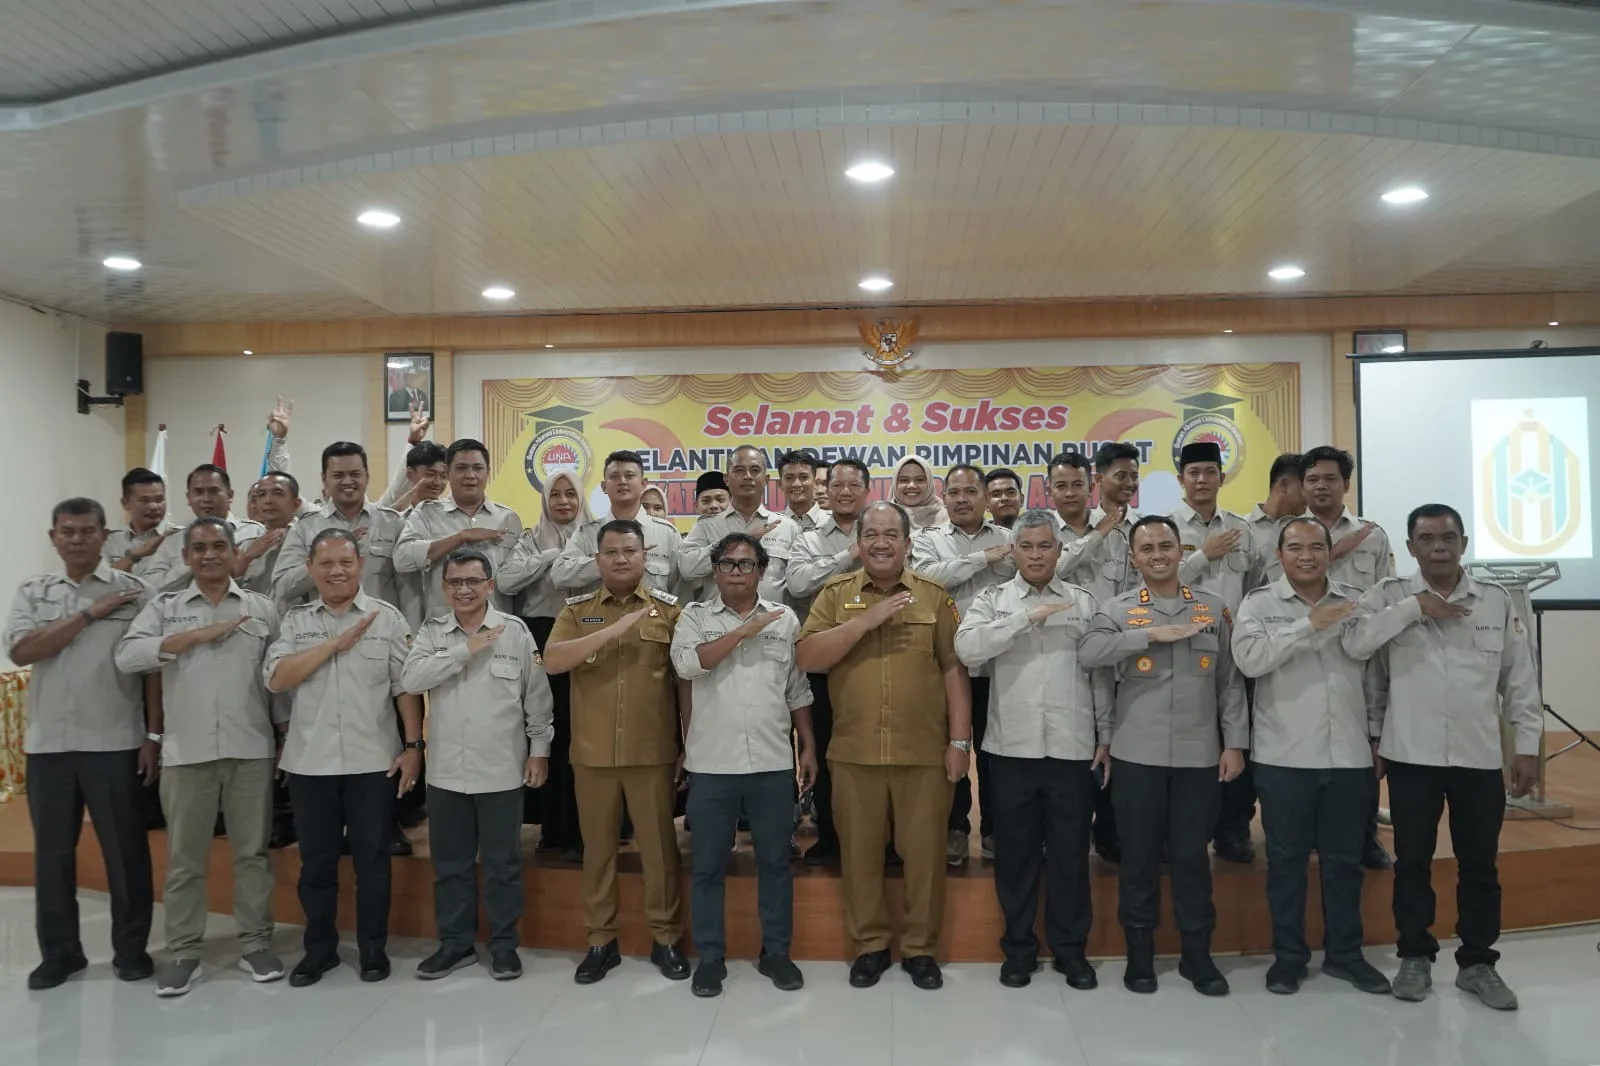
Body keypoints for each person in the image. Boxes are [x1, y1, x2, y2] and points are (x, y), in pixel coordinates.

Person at [1342, 503, 1542, 1011]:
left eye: (1448, 538)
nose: (1438, 548)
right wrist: (1414, 608)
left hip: (1479, 756)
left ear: (1464, 544)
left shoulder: (1494, 600)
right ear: (1410, 547)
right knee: (1413, 861)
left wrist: (1526, 746)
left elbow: (1520, 678)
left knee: (1480, 864)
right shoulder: (1389, 595)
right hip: (1412, 755)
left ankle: (1478, 963)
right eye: (1427, 539)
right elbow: (1356, 644)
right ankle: (1415, 955)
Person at [796, 501, 971, 991]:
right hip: (855, 752)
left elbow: (954, 670)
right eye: (871, 534)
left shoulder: (933, 596)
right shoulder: (835, 595)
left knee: (926, 857)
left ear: (908, 543)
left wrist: (960, 742)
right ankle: (870, 946)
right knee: (859, 856)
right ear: (858, 544)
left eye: (891, 534)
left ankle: (920, 949)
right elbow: (808, 656)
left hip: (923, 752)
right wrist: (864, 622)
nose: (880, 542)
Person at [114, 518, 284, 996]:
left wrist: (284, 735)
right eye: (200, 548)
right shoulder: (165, 608)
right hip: (186, 752)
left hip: (250, 747)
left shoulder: (261, 609)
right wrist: (189, 639)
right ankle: (185, 952)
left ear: (234, 552)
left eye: (219, 546)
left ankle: (256, 943)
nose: (210, 555)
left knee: (252, 854)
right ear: (186, 556)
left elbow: (278, 681)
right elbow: (127, 657)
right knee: (185, 859)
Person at [1080, 516, 1247, 996]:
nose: (1157, 554)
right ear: (1134, 558)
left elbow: (1229, 682)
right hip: (1138, 753)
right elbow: (1090, 653)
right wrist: (1149, 636)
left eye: (1166, 546)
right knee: (1138, 857)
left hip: (1199, 755)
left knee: (1193, 857)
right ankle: (1140, 956)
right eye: (1147, 548)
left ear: (1180, 551)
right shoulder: (1118, 609)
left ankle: (1198, 956)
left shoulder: (1212, 607)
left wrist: (1234, 743)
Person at [1231, 517, 1390, 997]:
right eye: (1295, 548)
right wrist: (1307, 626)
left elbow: (1373, 675)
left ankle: (1346, 955)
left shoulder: (1355, 601)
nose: (1306, 556)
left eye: (1316, 547)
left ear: (1329, 552)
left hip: (1348, 754)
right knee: (1286, 861)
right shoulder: (1259, 603)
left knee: (1344, 861)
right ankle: (1289, 957)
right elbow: (1249, 661)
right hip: (1284, 755)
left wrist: (1375, 734)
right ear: (1279, 555)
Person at [954, 510, 1112, 990]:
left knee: (1070, 855)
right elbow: (967, 650)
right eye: (1027, 546)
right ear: (1014, 551)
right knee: (1016, 857)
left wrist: (1105, 734)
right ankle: (1018, 950)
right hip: (1011, 750)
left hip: (1072, 748)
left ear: (1060, 551)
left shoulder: (1084, 602)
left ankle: (1071, 951)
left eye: (1046, 546)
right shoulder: (994, 599)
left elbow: (1100, 674)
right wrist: (1025, 618)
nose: (1037, 555)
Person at [4, 498, 156, 990]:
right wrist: (88, 615)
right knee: (52, 856)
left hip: (114, 741)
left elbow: (152, 669)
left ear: (104, 536)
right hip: (49, 745)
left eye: (87, 531)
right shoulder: (35, 592)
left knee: (125, 854)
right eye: (67, 531)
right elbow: (23, 650)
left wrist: (153, 735)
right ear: (53, 538)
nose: (76, 539)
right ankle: (60, 955)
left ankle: (131, 951)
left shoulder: (134, 593)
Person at [265, 528, 423, 987]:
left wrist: (413, 747)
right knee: (316, 864)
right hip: (310, 764)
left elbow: (405, 688)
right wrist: (332, 645)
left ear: (360, 566)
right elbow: (277, 678)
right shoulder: (295, 621)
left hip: (373, 762)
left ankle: (373, 949)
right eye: (326, 563)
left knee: (373, 861)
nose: (336, 571)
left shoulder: (386, 618)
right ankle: (320, 950)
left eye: (345, 562)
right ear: (310, 569)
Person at [670, 532, 816, 997]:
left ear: (762, 571)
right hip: (712, 764)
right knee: (709, 866)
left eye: (746, 564)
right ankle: (711, 958)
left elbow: (797, 688)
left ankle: (776, 952)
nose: (737, 572)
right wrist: (740, 633)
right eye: (728, 564)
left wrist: (808, 745)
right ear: (715, 571)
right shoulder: (694, 616)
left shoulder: (784, 618)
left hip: (772, 763)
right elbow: (687, 667)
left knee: (775, 864)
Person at [544, 519, 689, 984]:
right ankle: (600, 941)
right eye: (611, 552)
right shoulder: (577, 611)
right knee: (598, 852)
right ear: (597, 559)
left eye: (629, 551)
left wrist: (688, 743)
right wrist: (614, 629)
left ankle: (666, 938)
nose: (621, 559)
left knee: (660, 852)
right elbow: (553, 661)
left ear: (646, 556)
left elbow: (684, 684)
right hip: (593, 754)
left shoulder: (671, 612)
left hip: (652, 753)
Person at [401, 548, 554, 981]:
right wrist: (464, 650)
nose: (464, 590)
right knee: (450, 865)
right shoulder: (432, 632)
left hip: (501, 769)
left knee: (503, 865)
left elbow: (537, 696)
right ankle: (455, 944)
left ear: (490, 585)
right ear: (444, 587)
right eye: (455, 582)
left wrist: (539, 750)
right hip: (446, 772)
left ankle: (504, 946)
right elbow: (411, 680)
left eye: (473, 581)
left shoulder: (515, 632)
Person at [910, 464, 1014, 864]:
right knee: (948, 749)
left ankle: (995, 830)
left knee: (995, 753)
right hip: (946, 666)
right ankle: (954, 828)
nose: (962, 499)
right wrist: (982, 559)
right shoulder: (928, 539)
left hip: (997, 667)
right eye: (953, 492)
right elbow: (925, 579)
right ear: (944, 498)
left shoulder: (1010, 539)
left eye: (970, 491)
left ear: (986, 497)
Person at [1301, 445, 1395, 871]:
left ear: (1346, 484)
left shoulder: (1372, 535)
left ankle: (1364, 835)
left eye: (1330, 479)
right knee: (1306, 745)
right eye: (1312, 480)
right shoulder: (1288, 532)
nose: (1321, 486)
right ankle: (1308, 833)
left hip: (1359, 656)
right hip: (1303, 652)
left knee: (1363, 746)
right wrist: (1332, 552)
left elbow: (1386, 592)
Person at [1168, 441, 1256, 865]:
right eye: (1194, 473)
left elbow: (1255, 589)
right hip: (1182, 651)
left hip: (1234, 652)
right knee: (1190, 743)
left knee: (1238, 740)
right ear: (1181, 479)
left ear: (1222, 477)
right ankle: (1186, 831)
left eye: (1209, 472)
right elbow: (1157, 582)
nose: (1201, 480)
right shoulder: (1165, 528)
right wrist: (1204, 556)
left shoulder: (1243, 529)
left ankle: (1233, 829)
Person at [498, 470, 592, 855]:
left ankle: (592, 830)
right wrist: (553, 556)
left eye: (571, 494)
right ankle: (553, 829)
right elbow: (506, 581)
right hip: (541, 636)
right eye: (556, 494)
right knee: (551, 731)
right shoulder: (531, 539)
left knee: (585, 735)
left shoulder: (596, 534)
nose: (564, 501)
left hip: (587, 634)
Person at [785, 458, 871, 866]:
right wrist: (848, 555)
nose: (845, 492)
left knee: (869, 754)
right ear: (827, 489)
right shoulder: (809, 538)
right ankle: (831, 839)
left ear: (867, 491)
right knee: (823, 750)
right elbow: (798, 583)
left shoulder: (881, 530)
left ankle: (877, 840)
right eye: (837, 485)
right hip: (820, 665)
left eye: (854, 485)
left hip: (870, 661)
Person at [1046, 450, 1125, 863]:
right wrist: (1096, 536)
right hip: (1060, 657)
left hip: (1113, 656)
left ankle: (1110, 833)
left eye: (1077, 484)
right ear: (1048, 490)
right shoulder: (1042, 532)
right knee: (1069, 752)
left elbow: (1130, 589)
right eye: (1060, 485)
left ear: (1091, 486)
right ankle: (1066, 835)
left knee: (1114, 745)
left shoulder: (1120, 532)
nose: (1069, 493)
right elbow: (1050, 569)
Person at [395, 438, 524, 623]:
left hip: (497, 627)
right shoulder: (426, 514)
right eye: (462, 468)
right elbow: (402, 560)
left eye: (477, 468)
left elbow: (518, 580)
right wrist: (460, 537)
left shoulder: (509, 519)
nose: (470, 475)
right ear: (448, 472)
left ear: (488, 472)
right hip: (443, 629)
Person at [552, 450, 681, 598]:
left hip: (654, 613)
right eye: (614, 476)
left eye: (629, 476)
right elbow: (559, 575)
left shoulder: (667, 534)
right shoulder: (586, 533)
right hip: (600, 613)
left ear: (643, 484)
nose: (622, 481)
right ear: (604, 486)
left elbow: (680, 592)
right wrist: (604, 561)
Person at [680, 446, 798, 605]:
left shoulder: (787, 527)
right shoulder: (706, 526)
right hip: (719, 619)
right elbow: (687, 569)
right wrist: (735, 543)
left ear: (766, 479)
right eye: (739, 470)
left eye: (755, 470)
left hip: (773, 618)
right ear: (726, 479)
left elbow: (798, 585)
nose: (747, 476)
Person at [143, 465, 268, 593]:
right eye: (198, 492)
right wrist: (194, 564)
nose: (206, 499)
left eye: (214, 491)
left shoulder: (255, 533)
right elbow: (149, 587)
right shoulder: (172, 542)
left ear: (230, 495)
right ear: (189, 498)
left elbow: (264, 584)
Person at [1244, 453, 1304, 588]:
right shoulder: (1241, 529)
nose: (1310, 494)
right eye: (1304, 487)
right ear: (1284, 485)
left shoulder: (1309, 532)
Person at [106, 468, 179, 578]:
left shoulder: (180, 537)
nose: (154, 507)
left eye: (159, 500)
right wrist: (134, 556)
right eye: (145, 501)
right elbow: (101, 581)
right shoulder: (112, 541)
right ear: (125, 503)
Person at [241, 472, 301, 597]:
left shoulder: (307, 538)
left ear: (296, 504)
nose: (268, 501)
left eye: (278, 493)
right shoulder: (247, 543)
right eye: (262, 494)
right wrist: (247, 558)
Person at [890, 456, 947, 531]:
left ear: (930, 484)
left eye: (919, 480)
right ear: (894, 484)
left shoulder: (948, 518)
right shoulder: (882, 517)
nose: (912, 485)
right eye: (904, 480)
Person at [776, 450, 824, 531]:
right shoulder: (771, 524)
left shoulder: (833, 521)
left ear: (815, 482)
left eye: (804, 477)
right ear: (780, 484)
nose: (796, 484)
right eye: (789, 478)